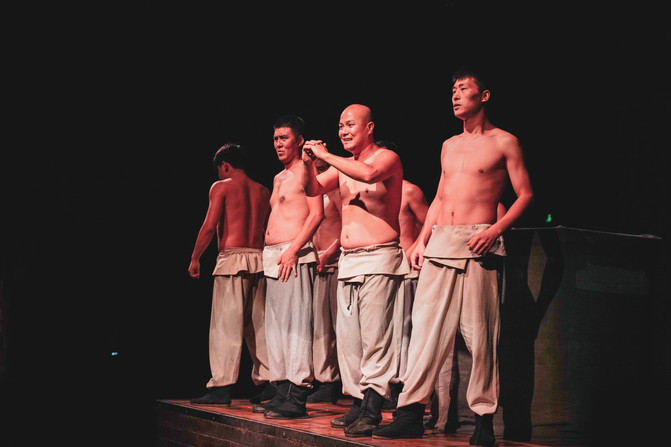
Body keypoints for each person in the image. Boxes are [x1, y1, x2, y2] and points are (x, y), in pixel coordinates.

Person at [372, 67, 533, 446]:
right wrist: (421, 240)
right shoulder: (448, 145)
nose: (456, 95)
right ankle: (410, 413)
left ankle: (483, 421)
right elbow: (441, 196)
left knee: (481, 336)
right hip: (442, 242)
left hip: (478, 244)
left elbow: (525, 194)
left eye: (463, 89)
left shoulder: (505, 142)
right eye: (453, 91)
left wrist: (494, 230)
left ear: (484, 95)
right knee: (425, 331)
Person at [301, 104, 408, 437]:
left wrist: (324, 155)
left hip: (379, 259)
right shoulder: (343, 166)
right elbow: (312, 190)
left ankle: (373, 411)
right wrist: (307, 164)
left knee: (376, 338)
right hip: (349, 261)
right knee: (349, 342)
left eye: (349, 125)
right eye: (340, 126)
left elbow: (368, 175)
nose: (343, 131)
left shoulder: (386, 158)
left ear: (369, 127)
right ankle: (359, 403)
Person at [188, 143, 272, 406]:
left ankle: (221, 387)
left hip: (232, 259)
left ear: (224, 165)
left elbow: (209, 226)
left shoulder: (221, 186)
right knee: (258, 325)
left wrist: (195, 257)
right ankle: (269, 382)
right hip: (259, 259)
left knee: (225, 325)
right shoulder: (263, 191)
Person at [257, 115, 324, 419]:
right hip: (273, 256)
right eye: (275, 139)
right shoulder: (278, 177)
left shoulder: (306, 171)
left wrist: (294, 249)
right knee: (276, 327)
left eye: (284, 138)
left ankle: (297, 396)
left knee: (296, 325)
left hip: (293, 254)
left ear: (299, 140)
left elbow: (317, 214)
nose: (278, 144)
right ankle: (282, 390)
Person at [307, 158, 343, 404]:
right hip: (317, 264)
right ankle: (326, 380)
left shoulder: (338, 192)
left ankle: (346, 381)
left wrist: (330, 252)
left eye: (323, 169)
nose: (320, 174)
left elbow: (348, 225)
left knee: (340, 325)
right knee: (321, 326)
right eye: (316, 170)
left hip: (336, 262)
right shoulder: (313, 195)